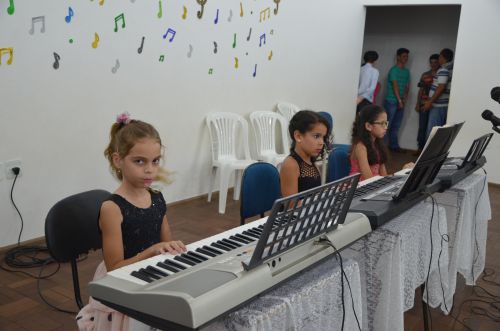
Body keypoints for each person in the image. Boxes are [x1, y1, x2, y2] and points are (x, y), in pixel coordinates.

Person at [77, 112, 186, 330]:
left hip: (152, 274)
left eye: (155, 161)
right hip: (123, 283)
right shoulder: (112, 208)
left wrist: (172, 250)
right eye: (139, 161)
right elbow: (114, 267)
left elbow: (166, 246)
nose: (149, 169)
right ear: (118, 160)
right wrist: (153, 251)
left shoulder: (157, 198)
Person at [349, 105, 414, 181]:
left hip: (373, 186)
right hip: (359, 189)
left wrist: (403, 172)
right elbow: (369, 180)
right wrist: (399, 174)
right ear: (368, 126)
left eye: (386, 123)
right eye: (382, 123)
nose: (386, 127)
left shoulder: (378, 146)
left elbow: (384, 176)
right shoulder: (360, 147)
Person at [280, 110, 330, 197]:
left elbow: (315, 193)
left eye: (323, 137)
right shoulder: (291, 165)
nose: (321, 142)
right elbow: (291, 206)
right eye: (316, 136)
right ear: (298, 136)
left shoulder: (312, 162)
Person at [384, 48, 411, 153]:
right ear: (398, 57)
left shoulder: (406, 72)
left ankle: (393, 146)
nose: (406, 58)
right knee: (386, 125)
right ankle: (380, 147)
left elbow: (407, 86)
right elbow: (395, 86)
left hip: (401, 102)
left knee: (396, 125)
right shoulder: (393, 70)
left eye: (407, 56)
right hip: (391, 101)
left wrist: (404, 99)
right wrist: (399, 101)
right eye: (404, 56)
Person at [423, 48, 454, 140]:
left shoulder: (444, 70)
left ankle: (429, 154)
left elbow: (441, 87)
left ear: (442, 57)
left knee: (432, 132)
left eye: (440, 56)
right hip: (441, 104)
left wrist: (430, 102)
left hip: (438, 105)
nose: (438, 59)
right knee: (436, 131)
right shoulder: (450, 68)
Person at [414, 54, 440, 155]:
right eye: (431, 62)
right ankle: (420, 149)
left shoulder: (441, 74)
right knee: (422, 127)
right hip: (423, 104)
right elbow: (420, 90)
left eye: (435, 62)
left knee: (434, 128)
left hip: (436, 105)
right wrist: (417, 103)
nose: (433, 64)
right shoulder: (425, 75)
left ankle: (429, 151)